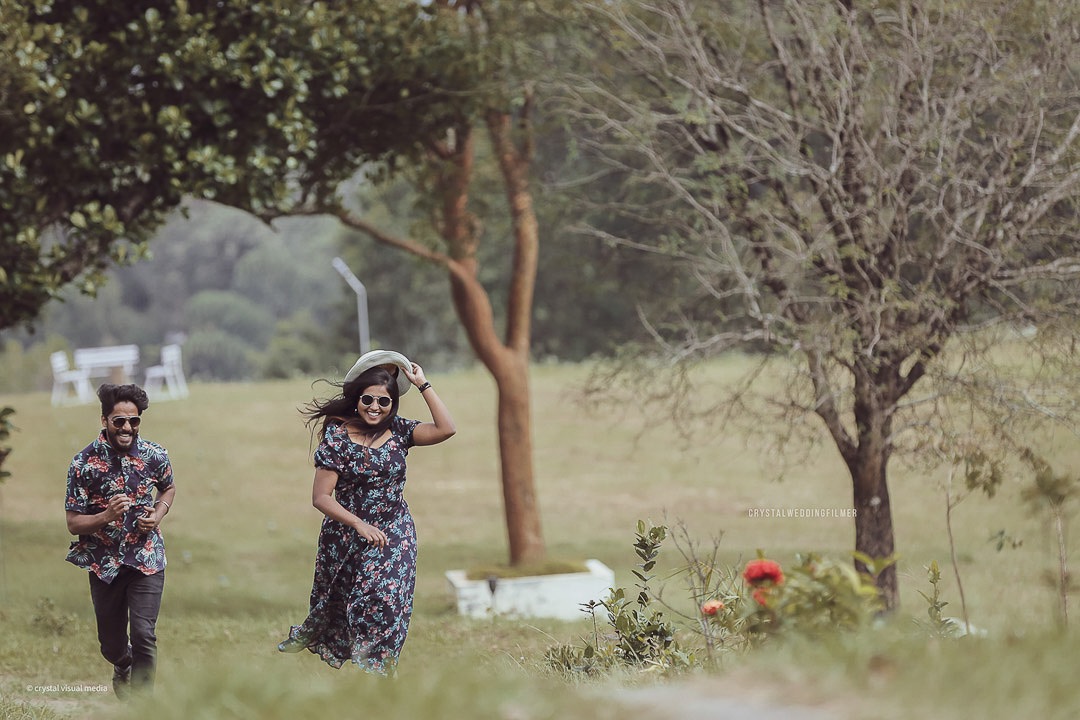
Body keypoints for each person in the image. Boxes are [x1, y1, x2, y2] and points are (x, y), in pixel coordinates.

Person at [278, 350, 455, 675]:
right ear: (357, 400)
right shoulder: (338, 438)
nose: (375, 407)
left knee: (384, 598)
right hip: (346, 537)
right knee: (347, 605)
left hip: (394, 533)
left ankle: (378, 671)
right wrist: (357, 523)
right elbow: (320, 497)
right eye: (368, 400)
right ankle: (360, 665)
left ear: (392, 405)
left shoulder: (400, 432)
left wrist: (423, 384)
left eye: (383, 402)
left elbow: (446, 428)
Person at [65, 383, 176, 698]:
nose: (127, 427)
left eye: (134, 421)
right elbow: (73, 523)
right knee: (112, 645)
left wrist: (159, 513)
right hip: (105, 565)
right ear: (104, 421)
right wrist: (105, 517)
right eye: (119, 421)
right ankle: (122, 663)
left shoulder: (155, 455)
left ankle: (141, 707)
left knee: (144, 635)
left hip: (147, 558)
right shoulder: (82, 464)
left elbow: (168, 487)